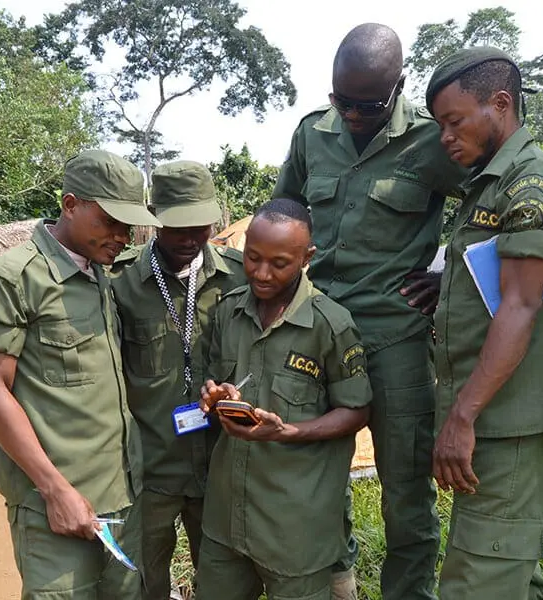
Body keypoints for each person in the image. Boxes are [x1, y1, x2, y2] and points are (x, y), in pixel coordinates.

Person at [272, 23, 467, 600]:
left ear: (398, 86)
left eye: (367, 104)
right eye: (342, 101)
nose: (353, 115)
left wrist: (444, 273)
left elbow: (492, 205)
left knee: (405, 488)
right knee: (315, 475)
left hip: (395, 340)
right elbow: (285, 206)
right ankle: (339, 587)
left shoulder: (433, 141)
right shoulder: (313, 133)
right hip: (316, 335)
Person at [425, 47, 543, 599]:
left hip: (510, 420)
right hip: (500, 415)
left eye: (454, 122)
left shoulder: (531, 183)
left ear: (500, 103)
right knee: (512, 578)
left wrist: (461, 416)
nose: (446, 138)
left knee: (476, 585)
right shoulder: (490, 183)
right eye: (439, 126)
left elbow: (521, 306)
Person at [0, 149, 161, 600]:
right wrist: (55, 491)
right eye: (110, 221)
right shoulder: (13, 278)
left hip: (121, 497)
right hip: (56, 506)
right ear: (70, 205)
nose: (122, 236)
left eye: (128, 225)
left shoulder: (101, 275)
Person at [194, 198, 372, 600]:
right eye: (252, 258)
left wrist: (289, 432)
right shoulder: (229, 312)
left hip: (296, 531)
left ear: (307, 257)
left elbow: (357, 410)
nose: (261, 273)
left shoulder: (330, 325)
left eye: (279, 263)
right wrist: (216, 394)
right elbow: (217, 381)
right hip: (226, 520)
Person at [110, 160, 248, 599]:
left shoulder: (241, 276)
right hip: (150, 467)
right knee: (146, 577)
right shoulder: (120, 283)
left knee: (223, 576)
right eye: (176, 228)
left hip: (220, 464)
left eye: (201, 227)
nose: (190, 239)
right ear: (153, 219)